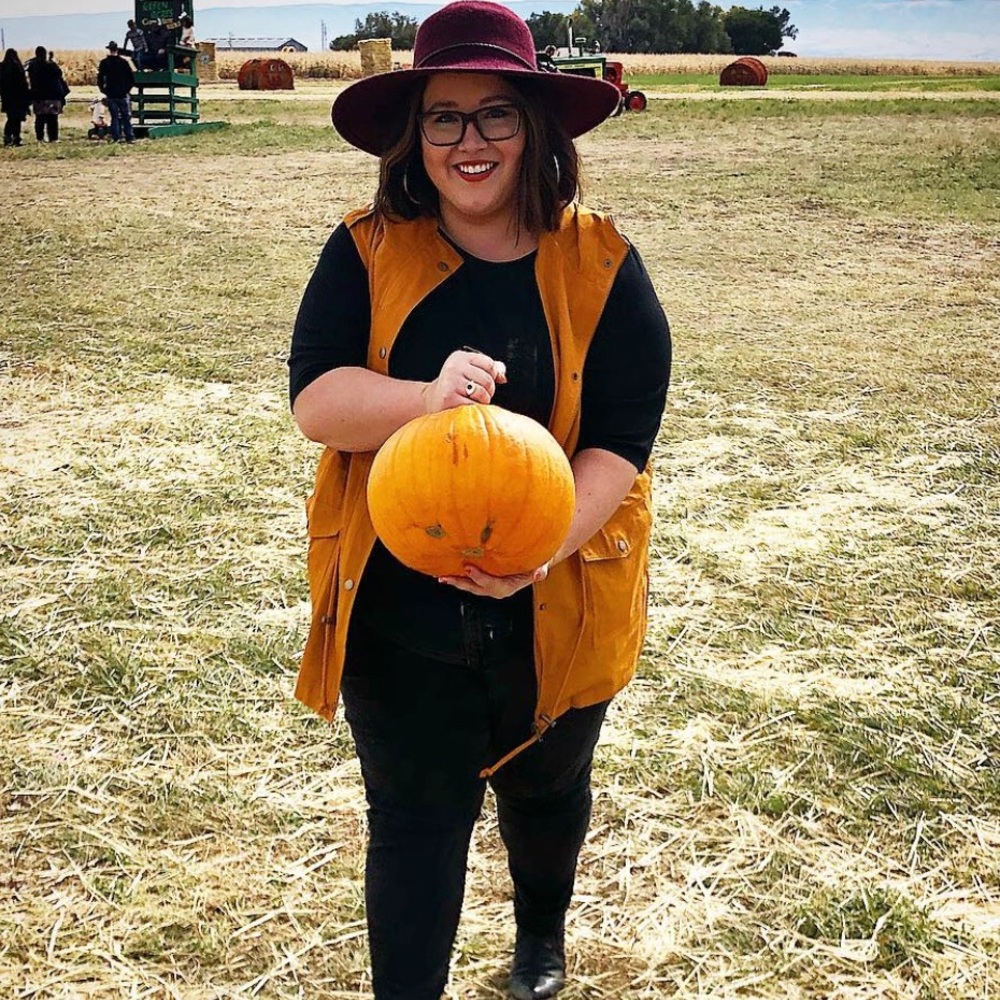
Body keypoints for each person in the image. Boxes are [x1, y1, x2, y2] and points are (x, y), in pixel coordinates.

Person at [288, 2, 671, 998]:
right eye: (444, 117)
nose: (471, 141)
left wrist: (538, 550)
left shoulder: (603, 266)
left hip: (554, 601)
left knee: (546, 795)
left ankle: (538, 941)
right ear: (413, 137)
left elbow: (620, 442)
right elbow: (318, 403)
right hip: (398, 619)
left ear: (534, 128)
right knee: (414, 825)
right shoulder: (365, 250)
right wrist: (422, 397)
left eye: (495, 113)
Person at [26, 46, 67, 142]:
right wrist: (52, 61)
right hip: (52, 95)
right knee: (52, 118)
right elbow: (58, 74)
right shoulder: (50, 65)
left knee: (39, 118)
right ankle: (53, 138)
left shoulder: (32, 65)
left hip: (38, 96)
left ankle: (40, 138)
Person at [97, 41, 136, 144]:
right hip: (122, 94)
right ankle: (129, 137)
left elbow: (100, 78)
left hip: (111, 94)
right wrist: (126, 90)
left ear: (109, 50)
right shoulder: (123, 62)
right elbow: (131, 79)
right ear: (117, 50)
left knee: (114, 117)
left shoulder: (104, 63)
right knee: (126, 117)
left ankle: (116, 137)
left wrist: (104, 90)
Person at [0, 49, 30, 147]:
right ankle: (16, 138)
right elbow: (23, 84)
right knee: (17, 119)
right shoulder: (18, 67)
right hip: (19, 97)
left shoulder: (2, 67)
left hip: (7, 97)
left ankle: (8, 137)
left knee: (11, 118)